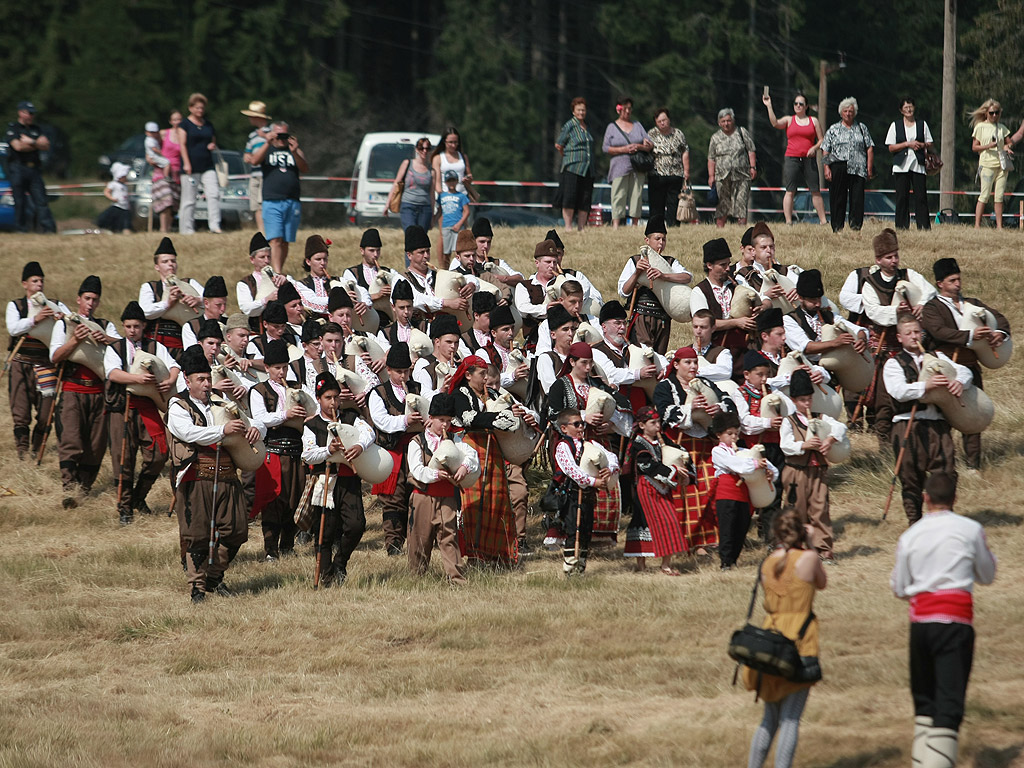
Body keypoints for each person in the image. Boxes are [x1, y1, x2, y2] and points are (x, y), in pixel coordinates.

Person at [890, 472, 997, 768]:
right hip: (955, 621)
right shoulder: (970, 529)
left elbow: (899, 587)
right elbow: (987, 574)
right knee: (949, 705)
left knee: (925, 703)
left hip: (920, 624)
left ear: (925, 498)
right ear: (955, 499)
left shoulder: (910, 535)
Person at [167, 346, 263, 602]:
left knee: (237, 531)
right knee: (197, 535)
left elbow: (256, 421)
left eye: (208, 378)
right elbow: (188, 433)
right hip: (196, 475)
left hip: (228, 475)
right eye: (201, 379)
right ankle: (197, 588)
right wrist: (223, 431)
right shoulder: (178, 405)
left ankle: (213, 575)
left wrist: (256, 431)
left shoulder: (223, 403)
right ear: (187, 380)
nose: (207, 384)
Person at [744, 509, 827, 768]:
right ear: (800, 532)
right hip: (799, 639)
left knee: (769, 717)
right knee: (790, 719)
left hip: (770, 637)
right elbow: (822, 583)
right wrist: (812, 544)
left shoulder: (767, 563)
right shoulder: (809, 559)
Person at [921, 258, 1010, 471]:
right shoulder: (932, 308)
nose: (958, 284)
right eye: (952, 280)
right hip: (945, 367)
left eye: (959, 279)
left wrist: (1000, 333)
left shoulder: (974, 304)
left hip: (971, 367)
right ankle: (943, 464)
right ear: (940, 283)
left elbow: (1000, 318)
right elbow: (938, 331)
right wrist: (969, 335)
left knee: (973, 415)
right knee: (942, 416)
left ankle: (972, 466)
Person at [882, 314, 972, 525]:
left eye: (917, 332)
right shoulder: (893, 363)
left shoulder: (936, 356)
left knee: (946, 472)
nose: (914, 337)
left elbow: (964, 371)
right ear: (899, 337)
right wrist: (926, 386)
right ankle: (915, 523)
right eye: (909, 333)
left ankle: (943, 519)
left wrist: (959, 382)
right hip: (907, 425)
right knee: (911, 477)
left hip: (937, 424)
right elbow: (898, 391)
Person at [104, 301, 179, 524]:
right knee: (123, 458)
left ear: (143, 325)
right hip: (123, 407)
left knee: (158, 454)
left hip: (147, 406)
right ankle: (125, 507)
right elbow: (113, 373)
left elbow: (174, 365)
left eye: (136, 326)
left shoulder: (155, 347)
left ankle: (139, 495)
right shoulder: (115, 348)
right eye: (128, 326)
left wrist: (171, 380)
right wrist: (137, 379)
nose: (132, 331)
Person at [49, 275, 119, 508]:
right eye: (87, 298)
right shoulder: (65, 324)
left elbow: (122, 350)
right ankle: (69, 489)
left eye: (95, 300)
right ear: (78, 299)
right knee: (71, 439)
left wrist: (107, 339)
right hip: (72, 390)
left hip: (99, 393)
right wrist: (75, 341)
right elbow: (55, 356)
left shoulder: (105, 325)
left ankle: (85, 489)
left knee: (96, 445)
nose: (90, 303)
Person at [300, 371, 375, 587]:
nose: (333, 403)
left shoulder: (350, 418)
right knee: (325, 530)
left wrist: (360, 446)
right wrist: (328, 450)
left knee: (356, 525)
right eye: (327, 398)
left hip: (348, 480)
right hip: (324, 481)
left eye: (336, 397)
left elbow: (369, 432)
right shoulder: (311, 425)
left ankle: (340, 561)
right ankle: (325, 577)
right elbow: (307, 454)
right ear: (319, 399)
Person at [447, 356, 520, 565]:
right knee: (474, 497)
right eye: (482, 374)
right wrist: (497, 418)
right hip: (470, 448)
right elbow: (468, 417)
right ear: (468, 375)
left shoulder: (495, 393)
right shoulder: (460, 394)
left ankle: (497, 553)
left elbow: (511, 409)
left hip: (492, 448)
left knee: (496, 496)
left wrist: (513, 413)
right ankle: (472, 551)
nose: (486, 378)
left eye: (487, 373)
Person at [653, 347, 724, 554]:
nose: (693, 366)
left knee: (711, 488)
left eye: (695, 362)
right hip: (679, 446)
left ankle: (711, 537)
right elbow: (664, 413)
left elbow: (726, 400)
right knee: (686, 493)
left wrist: (717, 408)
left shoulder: (707, 384)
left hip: (706, 445)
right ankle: (689, 542)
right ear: (675, 365)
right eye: (688, 363)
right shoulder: (665, 387)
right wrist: (690, 408)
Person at [407, 392, 478, 584]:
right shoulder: (417, 442)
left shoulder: (455, 440)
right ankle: (417, 578)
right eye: (441, 420)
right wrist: (436, 474)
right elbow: (416, 470)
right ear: (430, 418)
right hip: (423, 496)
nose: (445, 425)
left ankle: (456, 578)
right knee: (420, 539)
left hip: (447, 497)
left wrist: (465, 467)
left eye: (448, 420)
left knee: (449, 536)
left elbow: (470, 455)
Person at [250, 339, 308, 561]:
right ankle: (270, 549)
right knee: (274, 501)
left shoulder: (297, 388)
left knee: (294, 499)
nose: (281, 372)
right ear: (266, 368)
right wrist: (286, 415)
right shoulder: (258, 391)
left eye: (284, 367)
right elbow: (260, 419)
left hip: (296, 451)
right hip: (273, 451)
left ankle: (287, 545)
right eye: (276, 368)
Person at [779, 369, 845, 564]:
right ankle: (793, 548)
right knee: (796, 509)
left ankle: (823, 549)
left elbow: (840, 427)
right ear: (793, 400)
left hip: (818, 470)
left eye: (809, 399)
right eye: (802, 400)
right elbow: (785, 445)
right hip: (796, 471)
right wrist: (804, 445)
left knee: (820, 508)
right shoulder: (788, 421)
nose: (806, 404)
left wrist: (830, 440)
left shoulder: (821, 417)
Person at [6, 261, 68, 459]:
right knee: (20, 410)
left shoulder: (54, 305)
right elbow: (13, 328)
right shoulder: (17, 305)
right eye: (34, 281)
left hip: (46, 364)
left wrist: (61, 318)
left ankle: (36, 448)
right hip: (21, 363)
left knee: (46, 411)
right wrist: (35, 319)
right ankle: (22, 452)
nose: (39, 284)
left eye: (41, 281)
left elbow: (71, 320)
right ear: (25, 284)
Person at [550, 408, 617, 575]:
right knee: (574, 528)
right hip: (572, 493)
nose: (581, 428)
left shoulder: (591, 444)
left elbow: (611, 456)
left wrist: (610, 469)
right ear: (564, 428)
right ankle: (570, 569)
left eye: (582, 424)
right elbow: (572, 470)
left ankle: (581, 568)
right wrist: (595, 481)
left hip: (588, 494)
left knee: (586, 529)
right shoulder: (563, 446)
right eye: (577, 424)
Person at [711, 410, 778, 570]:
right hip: (726, 493)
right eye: (729, 433)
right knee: (728, 527)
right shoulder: (718, 451)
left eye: (736, 433)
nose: (734, 437)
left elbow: (768, 465)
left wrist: (768, 471)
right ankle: (725, 562)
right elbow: (736, 465)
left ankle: (734, 559)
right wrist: (755, 465)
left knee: (741, 527)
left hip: (744, 494)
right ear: (719, 434)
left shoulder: (744, 450)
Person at [617, 215, 692, 355]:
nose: (661, 243)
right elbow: (623, 291)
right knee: (642, 356)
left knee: (659, 357)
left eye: (664, 239)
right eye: (657, 239)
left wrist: (664, 276)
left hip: (663, 318)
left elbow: (687, 277)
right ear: (647, 240)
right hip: (642, 316)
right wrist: (637, 273)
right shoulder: (635, 260)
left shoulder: (670, 262)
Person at [625, 406, 688, 573]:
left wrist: (683, 461)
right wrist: (673, 470)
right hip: (646, 487)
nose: (658, 426)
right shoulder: (638, 444)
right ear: (642, 425)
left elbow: (677, 452)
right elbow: (647, 466)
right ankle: (641, 565)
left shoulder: (664, 440)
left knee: (670, 520)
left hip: (663, 488)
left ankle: (666, 564)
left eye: (659, 422)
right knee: (643, 523)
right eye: (653, 422)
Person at [249, 120, 308, 273]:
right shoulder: (267, 149)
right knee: (274, 239)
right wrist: (267, 142)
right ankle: (277, 273)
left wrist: (295, 151)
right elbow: (254, 161)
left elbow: (305, 168)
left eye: (284, 134)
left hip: (292, 201)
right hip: (271, 200)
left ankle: (278, 269)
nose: (281, 138)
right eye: (278, 134)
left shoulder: (294, 150)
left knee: (285, 240)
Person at [762, 91, 826, 225]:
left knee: (815, 190)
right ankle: (788, 221)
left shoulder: (813, 121)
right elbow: (775, 123)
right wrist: (769, 106)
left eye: (801, 104)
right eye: (796, 103)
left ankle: (823, 221)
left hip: (809, 159)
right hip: (792, 158)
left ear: (806, 106)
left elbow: (821, 140)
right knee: (790, 190)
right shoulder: (789, 120)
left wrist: (814, 148)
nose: (798, 106)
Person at [139, 237, 204, 359]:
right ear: (156, 267)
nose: (170, 264)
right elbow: (144, 311)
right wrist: (167, 303)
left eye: (173, 261)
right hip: (157, 344)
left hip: (186, 342)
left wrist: (197, 300)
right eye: (165, 261)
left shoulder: (189, 283)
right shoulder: (150, 287)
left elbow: (211, 300)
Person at [821, 97, 875, 232]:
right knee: (838, 197)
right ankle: (837, 227)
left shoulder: (862, 128)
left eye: (851, 111)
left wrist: (869, 167)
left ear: (855, 112)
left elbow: (869, 148)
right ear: (841, 113)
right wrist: (826, 167)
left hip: (858, 167)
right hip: (838, 166)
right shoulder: (833, 129)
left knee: (857, 199)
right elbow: (825, 149)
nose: (848, 113)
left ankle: (856, 226)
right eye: (845, 111)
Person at [4, 100, 56, 233]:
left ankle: (48, 229)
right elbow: (18, 146)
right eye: (29, 113)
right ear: (21, 113)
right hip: (18, 168)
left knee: (41, 201)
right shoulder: (13, 128)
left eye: (33, 114)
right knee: (20, 201)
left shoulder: (36, 129)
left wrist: (31, 141)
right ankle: (21, 229)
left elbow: (46, 145)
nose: (31, 116)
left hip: (34, 169)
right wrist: (37, 144)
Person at [176, 93, 222, 235]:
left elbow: (212, 140)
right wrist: (186, 163)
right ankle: (186, 228)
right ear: (191, 108)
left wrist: (212, 145)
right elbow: (182, 145)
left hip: (207, 164)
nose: (200, 110)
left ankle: (214, 225)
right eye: (197, 108)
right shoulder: (184, 125)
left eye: (202, 108)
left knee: (213, 193)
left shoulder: (208, 124)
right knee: (189, 199)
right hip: (191, 165)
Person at [602, 97, 652, 228]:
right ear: (619, 109)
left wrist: (639, 146)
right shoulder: (612, 127)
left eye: (630, 108)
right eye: (625, 108)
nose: (628, 111)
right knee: (619, 194)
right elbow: (605, 147)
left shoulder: (638, 125)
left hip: (637, 166)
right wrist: (623, 149)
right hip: (619, 166)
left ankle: (634, 224)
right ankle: (616, 224)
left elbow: (649, 144)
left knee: (637, 194)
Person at [886, 98, 934, 231]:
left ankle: (924, 226)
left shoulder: (922, 124)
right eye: (906, 107)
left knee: (921, 197)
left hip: (918, 165)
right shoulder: (895, 125)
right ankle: (901, 227)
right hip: (901, 166)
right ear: (901, 110)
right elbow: (891, 147)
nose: (909, 109)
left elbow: (930, 143)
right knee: (902, 197)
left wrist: (921, 145)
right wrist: (907, 144)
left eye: (911, 107)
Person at [708, 108, 757, 227]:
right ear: (719, 123)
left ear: (733, 120)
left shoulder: (741, 132)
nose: (726, 123)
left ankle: (742, 229)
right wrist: (711, 176)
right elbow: (711, 158)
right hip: (722, 176)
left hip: (742, 175)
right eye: (723, 121)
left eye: (728, 120)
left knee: (741, 202)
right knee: (723, 204)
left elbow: (751, 150)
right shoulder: (715, 138)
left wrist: (753, 167)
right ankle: (720, 229)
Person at [554, 96, 596, 233]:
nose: (581, 113)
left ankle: (581, 227)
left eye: (583, 110)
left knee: (585, 197)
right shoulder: (569, 125)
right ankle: (568, 226)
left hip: (588, 168)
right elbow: (559, 144)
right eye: (578, 110)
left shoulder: (587, 126)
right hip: (573, 167)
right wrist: (568, 156)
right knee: (570, 196)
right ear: (573, 111)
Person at [969, 98, 1011, 229]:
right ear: (986, 112)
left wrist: (1008, 147)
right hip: (987, 165)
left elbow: (1008, 142)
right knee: (985, 195)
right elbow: (974, 147)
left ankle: (999, 226)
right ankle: (977, 225)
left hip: (1002, 166)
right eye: (992, 112)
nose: (994, 115)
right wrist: (988, 146)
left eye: (997, 113)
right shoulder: (980, 127)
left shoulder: (1002, 128)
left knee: (999, 196)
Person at [646, 108, 690, 227]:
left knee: (673, 203)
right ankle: (656, 227)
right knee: (656, 205)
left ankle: (673, 226)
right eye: (659, 121)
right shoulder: (651, 134)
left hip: (675, 174)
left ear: (669, 120)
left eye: (664, 120)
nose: (662, 123)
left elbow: (685, 151)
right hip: (656, 175)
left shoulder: (678, 134)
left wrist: (686, 171)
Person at [387, 137, 435, 231]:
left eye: (427, 148)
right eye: (421, 148)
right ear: (417, 149)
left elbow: (432, 193)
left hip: (425, 208)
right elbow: (396, 183)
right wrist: (387, 204)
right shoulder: (407, 163)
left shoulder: (432, 171)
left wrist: (432, 215)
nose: (424, 151)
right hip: (408, 205)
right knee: (411, 234)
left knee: (421, 239)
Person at [241, 100, 272, 231]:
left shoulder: (271, 133)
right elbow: (246, 153)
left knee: (263, 204)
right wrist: (247, 157)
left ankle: (267, 230)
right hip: (254, 174)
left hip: (266, 174)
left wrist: (265, 136)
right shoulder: (252, 135)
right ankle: (261, 231)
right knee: (255, 205)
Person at [152, 110, 183, 233]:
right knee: (166, 200)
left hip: (176, 173)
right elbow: (151, 144)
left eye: (179, 119)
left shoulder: (184, 135)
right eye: (174, 119)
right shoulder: (164, 134)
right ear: (170, 121)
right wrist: (151, 158)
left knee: (173, 204)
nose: (177, 122)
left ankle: (168, 228)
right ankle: (163, 228)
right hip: (162, 171)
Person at [437, 171, 471, 267]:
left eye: (453, 180)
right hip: (446, 226)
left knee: (459, 250)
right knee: (446, 252)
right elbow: (440, 211)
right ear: (446, 182)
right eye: (449, 181)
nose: (451, 183)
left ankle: (460, 268)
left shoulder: (461, 196)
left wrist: (460, 224)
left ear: (457, 181)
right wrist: (433, 220)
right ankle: (446, 269)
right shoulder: (442, 196)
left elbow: (467, 211)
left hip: (458, 226)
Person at [96, 162, 133, 234]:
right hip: (117, 206)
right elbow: (106, 192)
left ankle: (126, 233)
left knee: (126, 224)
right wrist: (112, 198)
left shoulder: (124, 185)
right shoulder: (113, 184)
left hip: (125, 208)